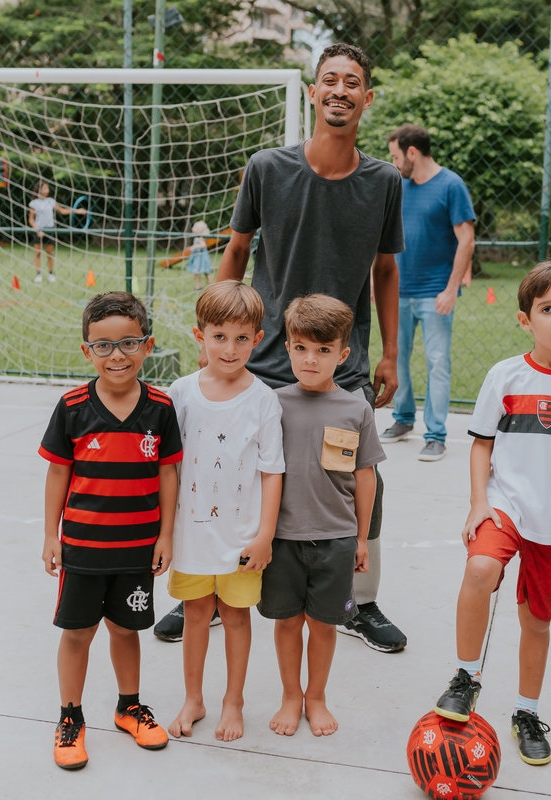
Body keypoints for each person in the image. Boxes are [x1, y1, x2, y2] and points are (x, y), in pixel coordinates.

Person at [153, 42, 409, 653]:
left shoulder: (384, 182)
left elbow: (386, 271)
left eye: (353, 82)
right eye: (330, 80)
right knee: (235, 474)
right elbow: (237, 252)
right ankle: (214, 589)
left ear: (366, 99)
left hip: (342, 365)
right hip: (264, 361)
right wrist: (215, 334)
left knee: (353, 479)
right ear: (313, 93)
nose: (341, 90)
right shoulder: (267, 168)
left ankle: (356, 601)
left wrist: (392, 352)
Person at [433, 261, 551, 768]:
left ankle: (526, 713)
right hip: (505, 503)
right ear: (524, 320)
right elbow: (480, 445)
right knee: (479, 568)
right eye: (548, 309)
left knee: (536, 620)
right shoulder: (504, 375)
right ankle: (465, 678)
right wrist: (478, 501)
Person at [39, 291, 183, 770]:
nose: (117, 355)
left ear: (147, 345)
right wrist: (50, 535)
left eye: (128, 343)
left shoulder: (160, 407)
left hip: (137, 548)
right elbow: (58, 472)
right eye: (103, 346)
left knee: (126, 630)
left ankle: (129, 707)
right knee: (78, 633)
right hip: (83, 546)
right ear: (87, 351)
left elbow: (167, 473)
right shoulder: (73, 406)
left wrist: (164, 536)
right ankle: (70, 717)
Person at [165, 280, 285, 743]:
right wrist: (165, 532)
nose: (230, 348)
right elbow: (168, 468)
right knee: (195, 612)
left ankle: (233, 700)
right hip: (191, 533)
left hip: (241, 537)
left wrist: (265, 535)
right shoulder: (180, 393)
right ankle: (193, 698)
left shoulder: (264, 401)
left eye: (241, 338)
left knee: (235, 617)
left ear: (257, 338)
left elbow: (273, 472)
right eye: (219, 336)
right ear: (200, 336)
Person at [262, 294, 386, 737]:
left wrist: (358, 540)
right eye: (300, 348)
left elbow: (365, 478)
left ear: (343, 353)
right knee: (287, 621)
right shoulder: (271, 403)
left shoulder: (356, 409)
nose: (310, 359)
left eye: (323, 350)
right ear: (288, 347)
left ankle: (316, 696)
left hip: (335, 539)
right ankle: (290, 695)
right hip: (282, 539)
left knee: (325, 624)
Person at [378, 124, 475, 463]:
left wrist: (451, 289)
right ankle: (403, 419)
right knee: (398, 360)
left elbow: (466, 239)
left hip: (436, 294)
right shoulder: (399, 187)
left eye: (395, 156)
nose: (394, 162)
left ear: (412, 152)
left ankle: (435, 435)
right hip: (398, 293)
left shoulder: (451, 185)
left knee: (437, 364)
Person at [29, 181, 87, 282]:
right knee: (38, 253)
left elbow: (62, 210)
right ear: (39, 190)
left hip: (50, 229)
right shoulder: (34, 203)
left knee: (49, 253)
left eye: (47, 188)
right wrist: (38, 230)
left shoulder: (51, 201)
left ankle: (50, 274)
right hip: (39, 230)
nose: (47, 190)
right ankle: (38, 274)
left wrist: (76, 211)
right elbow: (31, 219)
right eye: (45, 188)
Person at [186, 220, 214, 290]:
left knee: (205, 271)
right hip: (197, 256)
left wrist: (194, 247)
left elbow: (203, 245)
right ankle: (199, 284)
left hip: (201, 257)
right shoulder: (197, 237)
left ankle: (210, 284)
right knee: (195, 271)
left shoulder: (199, 237)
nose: (193, 228)